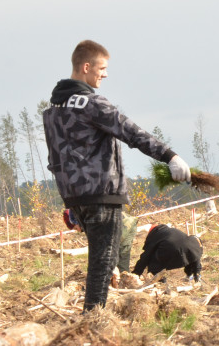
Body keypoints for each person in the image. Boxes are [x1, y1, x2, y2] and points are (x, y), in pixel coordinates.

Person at [43, 40, 192, 310]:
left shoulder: (54, 109)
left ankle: (93, 318)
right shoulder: (91, 103)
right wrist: (169, 156)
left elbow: (56, 156)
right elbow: (130, 132)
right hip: (101, 193)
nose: (105, 74)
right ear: (86, 67)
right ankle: (94, 322)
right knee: (103, 260)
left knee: (101, 260)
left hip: (74, 196)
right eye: (102, 68)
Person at [132, 224, 204, 282]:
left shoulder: (155, 235)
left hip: (171, 250)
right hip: (192, 249)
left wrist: (136, 273)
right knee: (192, 253)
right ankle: (196, 275)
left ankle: (160, 281)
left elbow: (146, 256)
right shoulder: (169, 231)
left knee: (153, 262)